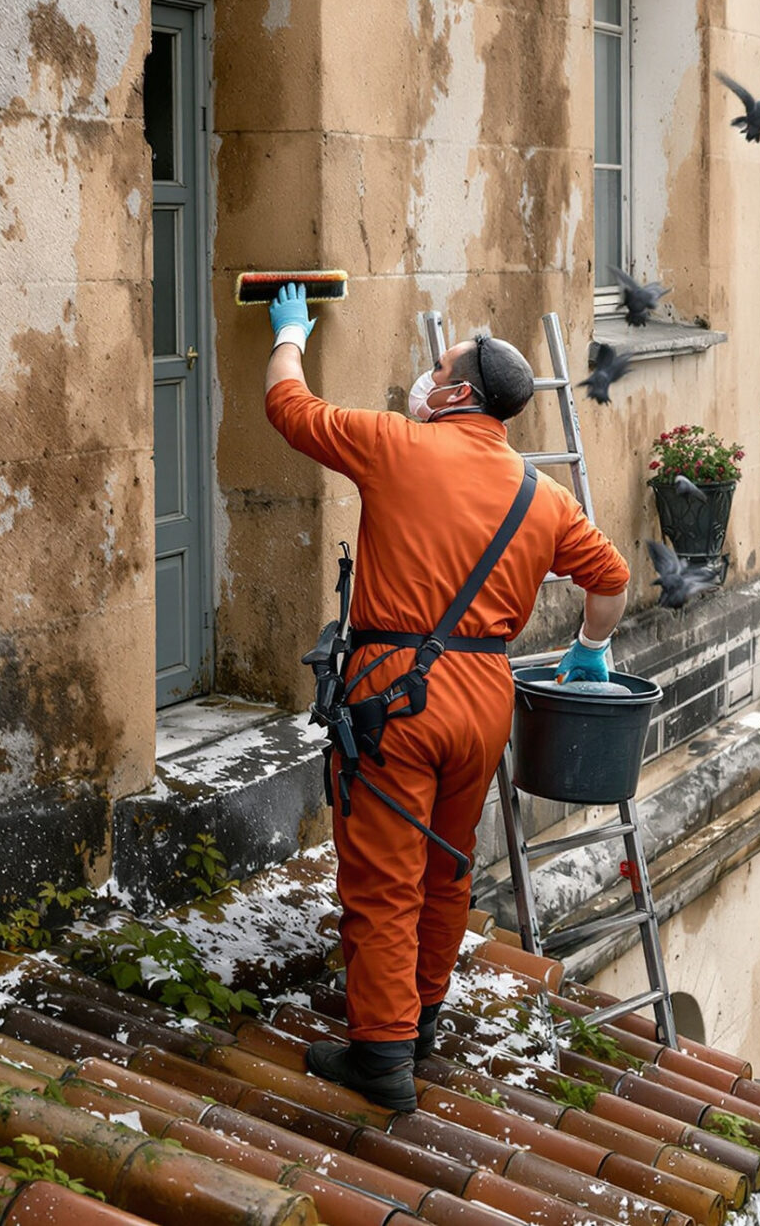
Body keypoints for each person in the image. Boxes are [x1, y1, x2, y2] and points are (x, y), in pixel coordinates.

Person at [262, 283, 630, 1109]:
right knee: (447, 864)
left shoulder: (397, 445)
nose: (424, 379)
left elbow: (288, 406)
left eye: (438, 368)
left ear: (460, 393)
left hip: (397, 691)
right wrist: (589, 651)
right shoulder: (545, 495)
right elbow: (611, 580)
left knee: (386, 874)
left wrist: (289, 333)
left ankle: (383, 1058)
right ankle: (421, 1014)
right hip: (485, 696)